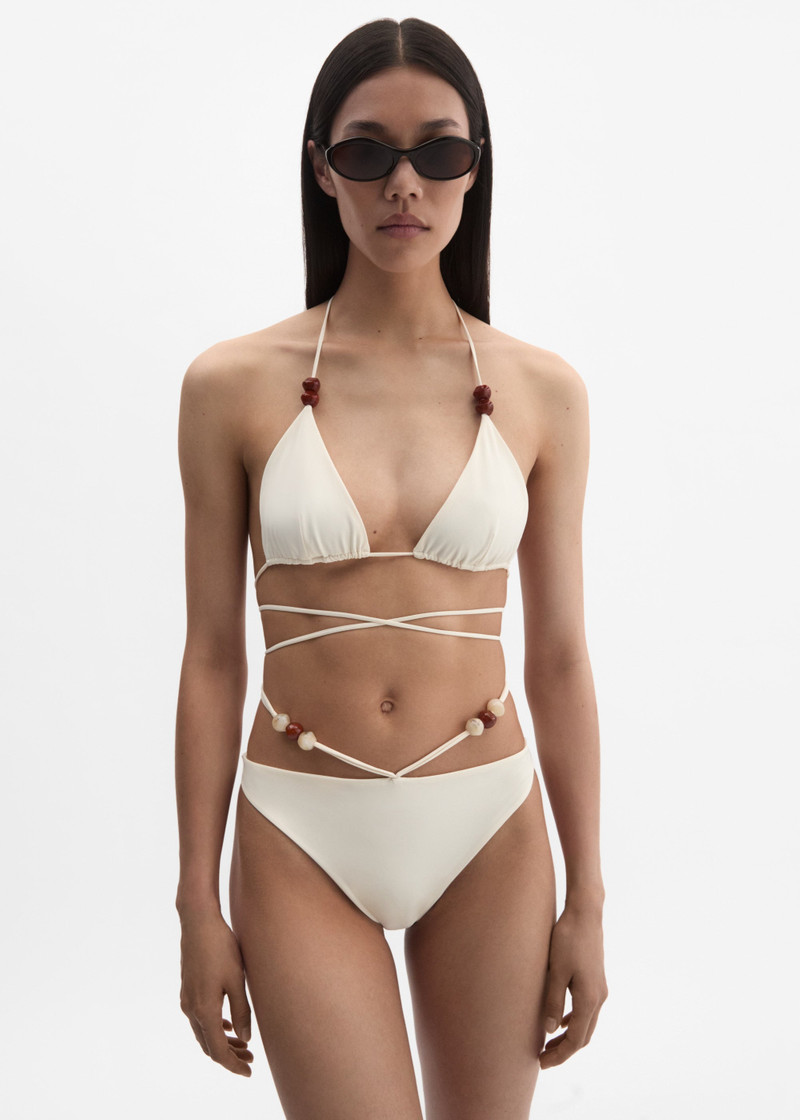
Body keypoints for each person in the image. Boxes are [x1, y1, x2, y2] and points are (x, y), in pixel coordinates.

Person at [175, 16, 606, 1118]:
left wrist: (588, 900)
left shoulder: (543, 391)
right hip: (298, 828)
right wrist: (196, 904)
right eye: (366, 151)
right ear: (322, 168)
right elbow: (213, 657)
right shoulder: (230, 385)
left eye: (437, 151)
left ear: (475, 167)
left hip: (489, 823)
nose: (402, 183)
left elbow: (558, 657)